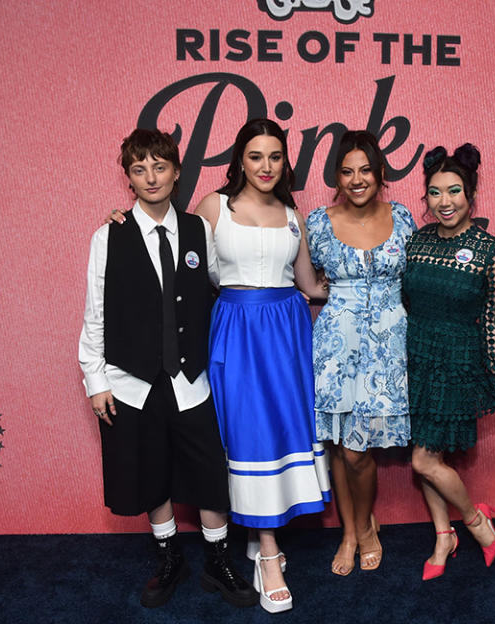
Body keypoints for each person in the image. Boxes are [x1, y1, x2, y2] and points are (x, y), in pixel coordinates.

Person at [78, 129, 258, 609]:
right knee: (150, 473)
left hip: (190, 378)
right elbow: (96, 311)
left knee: (207, 474)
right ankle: (168, 557)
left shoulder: (199, 229)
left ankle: (218, 561)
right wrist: (95, 379)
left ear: (177, 172)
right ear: (128, 179)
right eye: (139, 169)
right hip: (132, 381)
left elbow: (226, 283)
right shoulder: (108, 235)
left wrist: (278, 289)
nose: (151, 177)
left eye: (160, 167)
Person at [193, 118, 330, 613]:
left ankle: (260, 536)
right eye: (256, 156)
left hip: (288, 330)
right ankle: (268, 555)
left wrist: (371, 292)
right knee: (247, 431)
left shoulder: (294, 213)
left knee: (279, 431)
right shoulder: (214, 206)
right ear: (239, 161)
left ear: (284, 161)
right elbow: (178, 258)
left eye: (275, 157)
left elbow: (311, 285)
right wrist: (122, 225)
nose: (266, 167)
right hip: (235, 326)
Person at [402, 143, 495, 581]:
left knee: (424, 460)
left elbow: (493, 319)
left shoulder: (492, 251)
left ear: (470, 194)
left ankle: (477, 524)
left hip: (457, 359)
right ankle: (442, 535)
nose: (444, 202)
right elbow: (407, 300)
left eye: (454, 191)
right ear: (426, 197)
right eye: (434, 192)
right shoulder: (416, 242)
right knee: (430, 454)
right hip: (417, 355)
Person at [306, 130, 415, 575]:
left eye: (365, 170)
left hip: (389, 344)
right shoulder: (316, 222)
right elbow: (300, 277)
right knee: (339, 444)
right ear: (336, 176)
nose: (356, 179)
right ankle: (352, 532)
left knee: (357, 450)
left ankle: (365, 530)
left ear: (380, 172)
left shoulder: (404, 218)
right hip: (337, 343)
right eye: (347, 171)